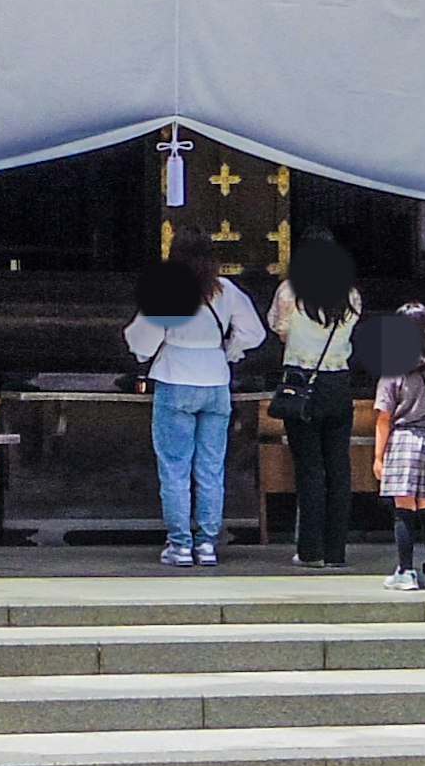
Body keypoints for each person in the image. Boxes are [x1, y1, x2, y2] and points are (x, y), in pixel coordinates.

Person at [126, 242, 263, 567]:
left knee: (175, 468)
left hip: (175, 376)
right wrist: (229, 351)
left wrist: (145, 355)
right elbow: (254, 332)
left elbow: (142, 337)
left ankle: (180, 545)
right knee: (211, 468)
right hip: (215, 380)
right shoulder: (226, 289)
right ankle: (207, 544)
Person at [266, 233, 364, 569]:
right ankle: (337, 550)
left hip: (301, 382)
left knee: (309, 468)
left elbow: (280, 331)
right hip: (338, 381)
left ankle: (310, 550)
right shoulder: (350, 294)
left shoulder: (290, 291)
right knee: (338, 467)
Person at [373, 314, 425, 591]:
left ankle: (405, 571)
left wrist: (379, 457)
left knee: (404, 510)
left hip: (404, 438)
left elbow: (384, 417)